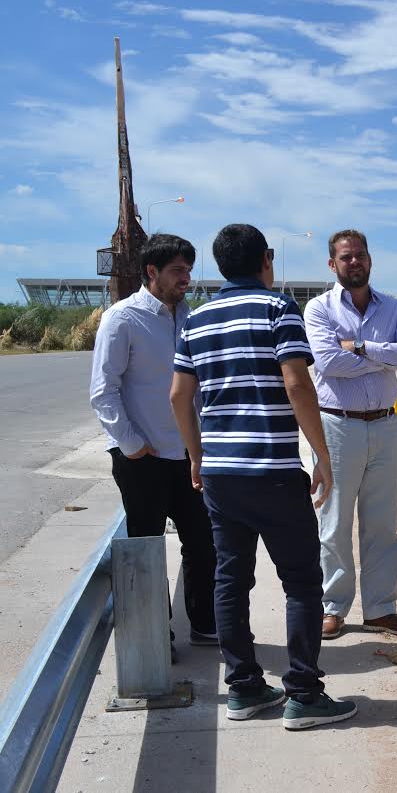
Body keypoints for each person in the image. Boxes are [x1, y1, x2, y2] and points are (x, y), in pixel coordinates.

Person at [170, 223, 356, 730]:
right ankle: (303, 694)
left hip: (222, 476)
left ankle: (246, 689)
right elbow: (297, 383)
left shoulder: (198, 319)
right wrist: (321, 454)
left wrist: (196, 456)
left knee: (230, 579)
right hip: (273, 471)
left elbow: (178, 396)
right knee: (301, 581)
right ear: (266, 260)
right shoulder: (279, 310)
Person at [90, 233, 217, 658]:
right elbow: (103, 390)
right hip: (142, 457)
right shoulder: (122, 319)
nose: (186, 279)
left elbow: (196, 386)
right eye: (177, 271)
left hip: (187, 454)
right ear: (152, 272)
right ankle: (156, 635)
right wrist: (131, 444)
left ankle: (204, 622)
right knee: (146, 547)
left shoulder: (190, 316)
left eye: (188, 270)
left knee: (202, 541)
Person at [303, 229, 397, 641]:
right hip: (338, 426)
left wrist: (361, 348)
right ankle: (333, 608)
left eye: (361, 256)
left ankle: (381, 609)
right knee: (334, 523)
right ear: (332, 264)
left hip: (387, 425)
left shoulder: (394, 307)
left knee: (383, 524)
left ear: (370, 260)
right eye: (346, 257)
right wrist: (381, 355)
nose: (355, 262)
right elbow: (328, 362)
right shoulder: (318, 309)